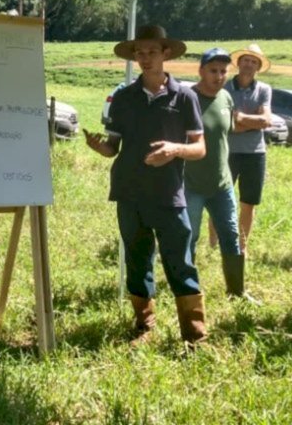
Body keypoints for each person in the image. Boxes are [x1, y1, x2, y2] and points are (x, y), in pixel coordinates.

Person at [84, 25, 207, 346]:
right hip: (129, 192)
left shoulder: (186, 97)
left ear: (166, 54)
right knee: (137, 262)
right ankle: (143, 325)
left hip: (168, 195)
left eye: (152, 52)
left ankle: (194, 335)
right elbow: (115, 146)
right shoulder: (124, 97)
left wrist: (175, 150)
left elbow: (199, 148)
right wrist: (100, 148)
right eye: (140, 52)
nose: (145, 58)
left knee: (179, 262)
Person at [185, 48, 255, 302]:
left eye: (223, 71)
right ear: (201, 71)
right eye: (213, 70)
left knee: (231, 237)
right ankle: (187, 293)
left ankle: (236, 292)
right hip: (190, 184)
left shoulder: (226, 98)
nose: (218, 76)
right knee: (189, 238)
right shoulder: (187, 98)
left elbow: (228, 131)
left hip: (222, 184)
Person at [223, 44, 273, 252]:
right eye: (246, 60)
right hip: (227, 152)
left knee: (248, 202)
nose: (249, 65)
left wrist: (241, 118)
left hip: (255, 153)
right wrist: (251, 124)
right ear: (239, 63)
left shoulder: (264, 89)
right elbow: (224, 122)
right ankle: (215, 242)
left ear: (258, 67)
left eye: (254, 62)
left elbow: (266, 120)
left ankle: (242, 246)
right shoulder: (225, 88)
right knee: (220, 199)